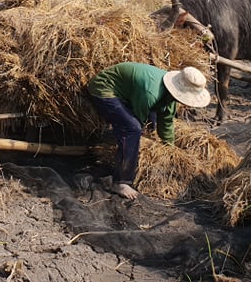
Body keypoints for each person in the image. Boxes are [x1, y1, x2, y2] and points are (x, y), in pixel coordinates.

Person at [87, 63, 211, 200]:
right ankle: (121, 182)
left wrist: (169, 148)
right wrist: (141, 142)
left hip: (129, 92)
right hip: (104, 89)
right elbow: (137, 120)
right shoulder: (150, 92)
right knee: (132, 128)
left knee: (150, 119)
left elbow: (167, 120)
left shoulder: (168, 94)